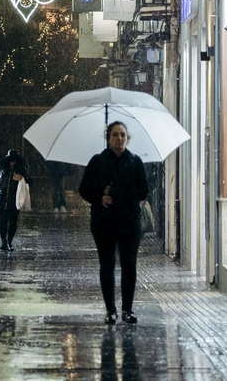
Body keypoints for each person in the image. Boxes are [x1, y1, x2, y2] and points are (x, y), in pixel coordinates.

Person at [78, 121, 150, 325]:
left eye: (123, 135)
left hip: (129, 222)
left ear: (127, 138)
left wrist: (121, 193)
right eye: (115, 135)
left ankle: (127, 309)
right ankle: (110, 310)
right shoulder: (98, 162)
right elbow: (84, 189)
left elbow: (143, 189)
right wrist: (100, 196)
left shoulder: (135, 162)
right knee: (107, 264)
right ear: (108, 138)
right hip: (104, 222)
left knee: (129, 265)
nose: (119, 138)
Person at [0, 149, 28, 250]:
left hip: (15, 199)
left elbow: (30, 180)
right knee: (2, 221)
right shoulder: (1, 167)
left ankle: (9, 242)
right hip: (1, 198)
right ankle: (3, 241)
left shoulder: (21, 168)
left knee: (13, 222)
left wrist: (22, 178)